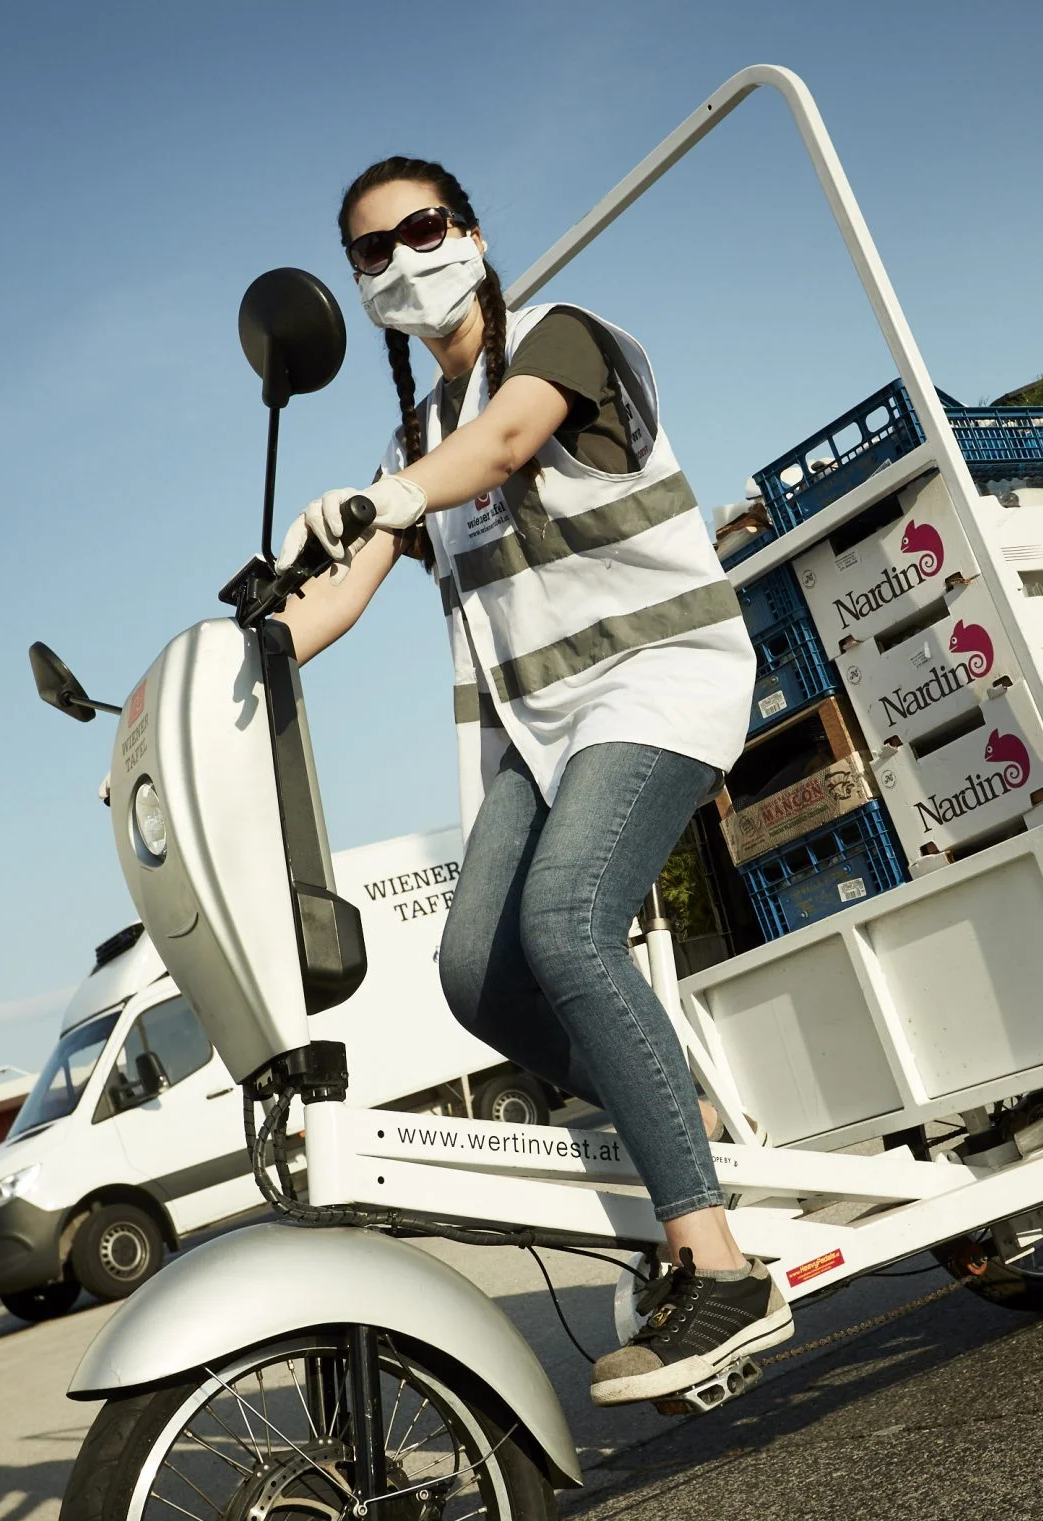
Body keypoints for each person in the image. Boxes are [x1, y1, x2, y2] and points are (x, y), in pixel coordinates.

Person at [276, 155, 791, 1406]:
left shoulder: (560, 337)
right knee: (473, 975)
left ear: (474, 232)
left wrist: (383, 498)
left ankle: (719, 1268)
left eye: (425, 228)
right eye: (374, 250)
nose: (405, 258)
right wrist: (218, 659)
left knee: (564, 924)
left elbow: (505, 441)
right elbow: (340, 591)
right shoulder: (412, 441)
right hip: (537, 728)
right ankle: (691, 1126)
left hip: (657, 680)